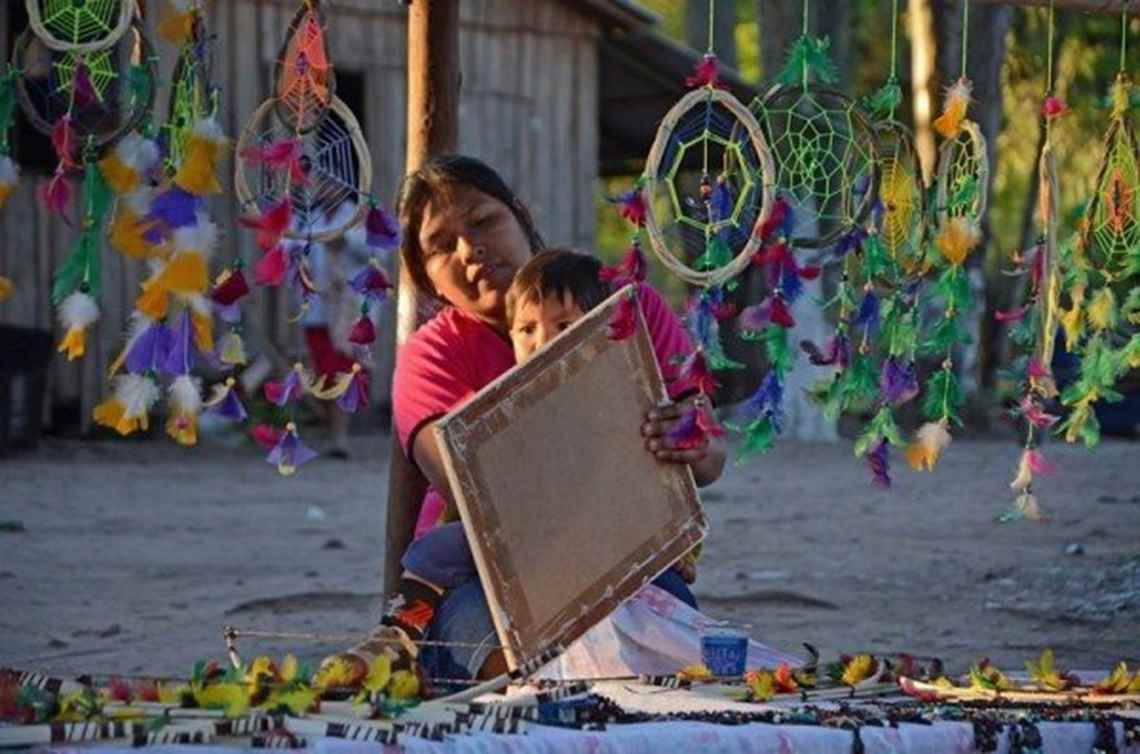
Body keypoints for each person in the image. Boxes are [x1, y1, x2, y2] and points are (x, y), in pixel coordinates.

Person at [324, 155, 725, 685]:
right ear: (428, 281)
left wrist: (688, 440)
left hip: (625, 566)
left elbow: (710, 457)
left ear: (521, 217)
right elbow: (470, 486)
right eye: (441, 246)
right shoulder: (431, 357)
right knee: (523, 673)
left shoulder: (627, 306)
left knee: (666, 658)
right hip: (484, 579)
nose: (470, 250)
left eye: (483, 221)